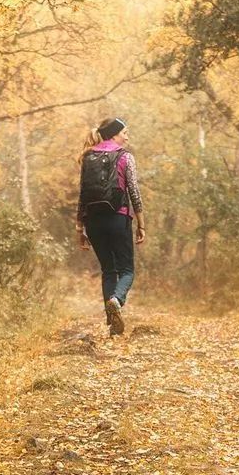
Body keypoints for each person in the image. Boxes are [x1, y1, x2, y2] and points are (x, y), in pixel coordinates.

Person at [76, 116, 146, 336]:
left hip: (93, 220)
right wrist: (141, 224)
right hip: (118, 217)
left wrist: (80, 227)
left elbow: (82, 193)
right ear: (114, 134)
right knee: (126, 270)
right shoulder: (125, 157)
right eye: (125, 132)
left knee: (108, 270)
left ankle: (112, 324)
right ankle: (116, 300)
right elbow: (134, 192)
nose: (127, 136)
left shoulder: (88, 156)